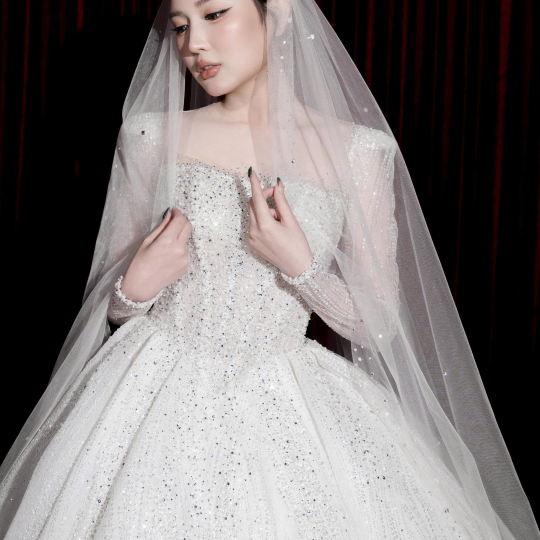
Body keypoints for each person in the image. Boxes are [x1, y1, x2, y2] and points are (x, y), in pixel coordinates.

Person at [0, 0, 537, 538]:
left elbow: (376, 323)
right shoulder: (150, 135)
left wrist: (301, 268)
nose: (193, 44)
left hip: (291, 400)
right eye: (180, 26)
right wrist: (134, 289)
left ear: (276, 14)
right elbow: (112, 305)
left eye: (215, 14)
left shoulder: (359, 150)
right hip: (148, 391)